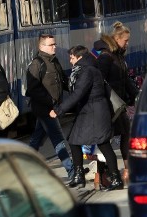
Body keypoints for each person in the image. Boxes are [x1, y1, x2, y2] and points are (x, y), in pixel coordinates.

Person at [51, 45, 123, 191]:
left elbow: (78, 93)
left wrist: (59, 110)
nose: (70, 61)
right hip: (90, 110)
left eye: (72, 58)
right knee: (73, 139)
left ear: (80, 57)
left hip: (95, 112)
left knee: (103, 144)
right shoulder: (86, 69)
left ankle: (116, 178)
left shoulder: (87, 71)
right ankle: (79, 176)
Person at [25, 33, 74, 180]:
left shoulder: (54, 61)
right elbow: (32, 89)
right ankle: (71, 170)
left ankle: (23, 167)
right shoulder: (37, 64)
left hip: (53, 107)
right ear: (41, 46)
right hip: (45, 109)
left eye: (55, 44)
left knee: (37, 138)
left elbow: (63, 81)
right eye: (51, 45)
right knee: (58, 139)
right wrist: (50, 101)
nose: (54, 47)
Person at [95, 23, 139, 173]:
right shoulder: (106, 57)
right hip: (109, 104)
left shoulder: (118, 56)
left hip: (118, 104)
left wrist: (136, 95)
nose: (127, 44)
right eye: (125, 40)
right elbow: (100, 81)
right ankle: (105, 172)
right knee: (105, 139)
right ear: (117, 38)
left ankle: (126, 169)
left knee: (126, 133)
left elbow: (125, 79)